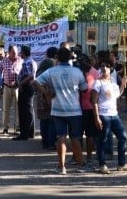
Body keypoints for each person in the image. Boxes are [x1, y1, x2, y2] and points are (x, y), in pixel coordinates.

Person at [33, 47, 88, 175]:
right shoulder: (77, 72)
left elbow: (35, 82)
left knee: (61, 138)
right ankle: (81, 164)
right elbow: (84, 88)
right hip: (74, 110)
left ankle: (61, 166)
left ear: (57, 57)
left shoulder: (52, 71)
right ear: (70, 57)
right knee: (75, 138)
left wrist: (47, 93)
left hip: (57, 110)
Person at [91, 61, 127, 174]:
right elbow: (94, 101)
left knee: (123, 137)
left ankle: (121, 163)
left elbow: (117, 95)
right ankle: (102, 164)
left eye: (106, 67)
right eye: (102, 67)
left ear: (111, 70)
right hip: (103, 115)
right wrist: (96, 118)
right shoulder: (97, 83)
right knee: (102, 140)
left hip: (114, 115)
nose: (103, 68)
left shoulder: (113, 83)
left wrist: (123, 85)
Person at [13, 45, 38, 141]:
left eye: (21, 52)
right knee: (29, 110)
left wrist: (21, 83)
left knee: (24, 111)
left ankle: (24, 134)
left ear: (23, 53)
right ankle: (30, 132)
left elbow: (30, 76)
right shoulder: (31, 61)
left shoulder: (27, 62)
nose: (20, 54)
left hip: (26, 88)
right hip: (29, 88)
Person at [35, 46, 58, 150]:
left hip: (40, 93)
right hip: (48, 92)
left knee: (44, 119)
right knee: (51, 119)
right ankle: (51, 143)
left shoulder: (43, 63)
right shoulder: (52, 63)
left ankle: (44, 142)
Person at [78, 53, 99, 165]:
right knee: (90, 134)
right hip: (92, 107)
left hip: (79, 108)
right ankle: (89, 156)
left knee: (77, 134)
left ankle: (77, 156)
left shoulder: (78, 72)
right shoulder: (96, 72)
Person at [0, 45, 22, 135]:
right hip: (6, 87)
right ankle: (5, 128)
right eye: (13, 53)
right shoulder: (3, 61)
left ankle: (17, 127)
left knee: (18, 108)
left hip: (17, 88)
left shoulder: (21, 61)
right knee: (6, 108)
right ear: (9, 52)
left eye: (16, 53)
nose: (15, 54)